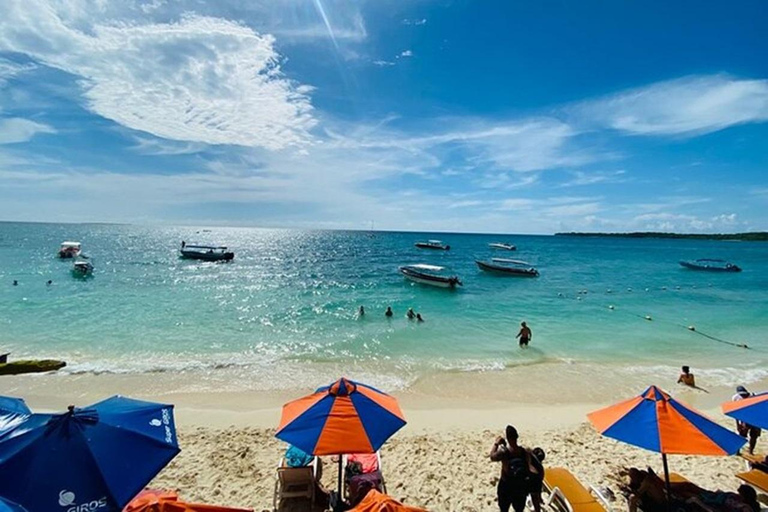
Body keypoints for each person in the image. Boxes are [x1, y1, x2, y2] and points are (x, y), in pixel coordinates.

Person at [489, 425, 544, 512]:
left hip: (506, 485)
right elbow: (534, 467)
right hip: (520, 486)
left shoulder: (504, 452)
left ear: (507, 437)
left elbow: (492, 457)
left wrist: (496, 443)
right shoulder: (525, 452)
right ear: (517, 437)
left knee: (504, 509)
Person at [733, 386, 762, 454]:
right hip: (744, 419)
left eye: (744, 394)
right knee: (741, 435)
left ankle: (751, 451)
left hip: (755, 419)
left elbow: (758, 411)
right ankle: (737, 451)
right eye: (742, 395)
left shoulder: (754, 397)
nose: (743, 396)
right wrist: (738, 424)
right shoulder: (736, 398)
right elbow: (735, 411)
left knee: (754, 436)